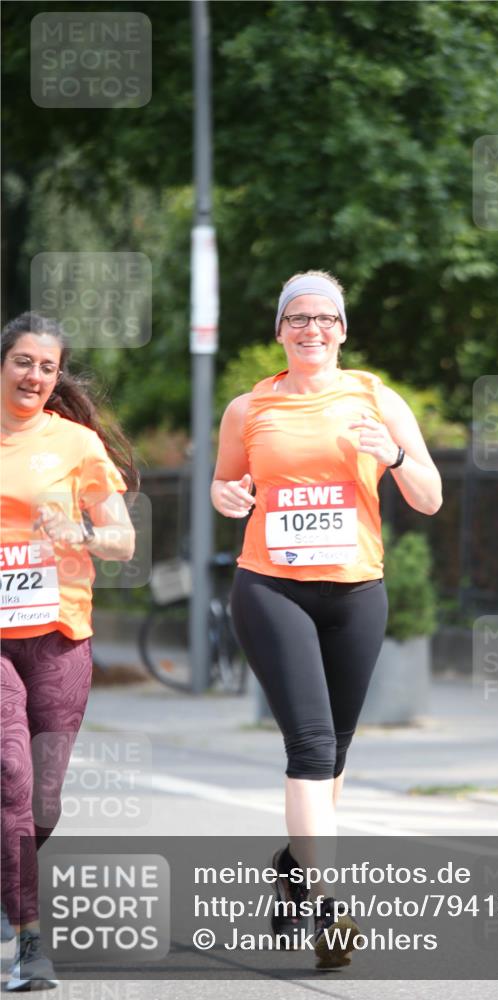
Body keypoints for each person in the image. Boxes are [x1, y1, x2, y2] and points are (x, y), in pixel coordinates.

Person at [211, 271, 442, 968]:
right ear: (279, 331)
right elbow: (227, 489)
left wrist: (394, 454)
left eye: (324, 319)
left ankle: (291, 866)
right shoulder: (248, 409)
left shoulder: (375, 398)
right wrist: (226, 496)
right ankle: (327, 905)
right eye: (297, 319)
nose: (312, 329)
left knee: (335, 753)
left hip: (355, 592)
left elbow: (428, 498)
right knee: (309, 748)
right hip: (271, 589)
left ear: (342, 330)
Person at [0, 313, 137, 991]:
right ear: (3, 364)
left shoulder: (76, 444)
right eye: (23, 361)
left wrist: (78, 530)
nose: (34, 376)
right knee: (10, 777)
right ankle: (28, 941)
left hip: (58, 632)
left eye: (47, 366)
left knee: (44, 804)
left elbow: (123, 543)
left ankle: (6, 881)